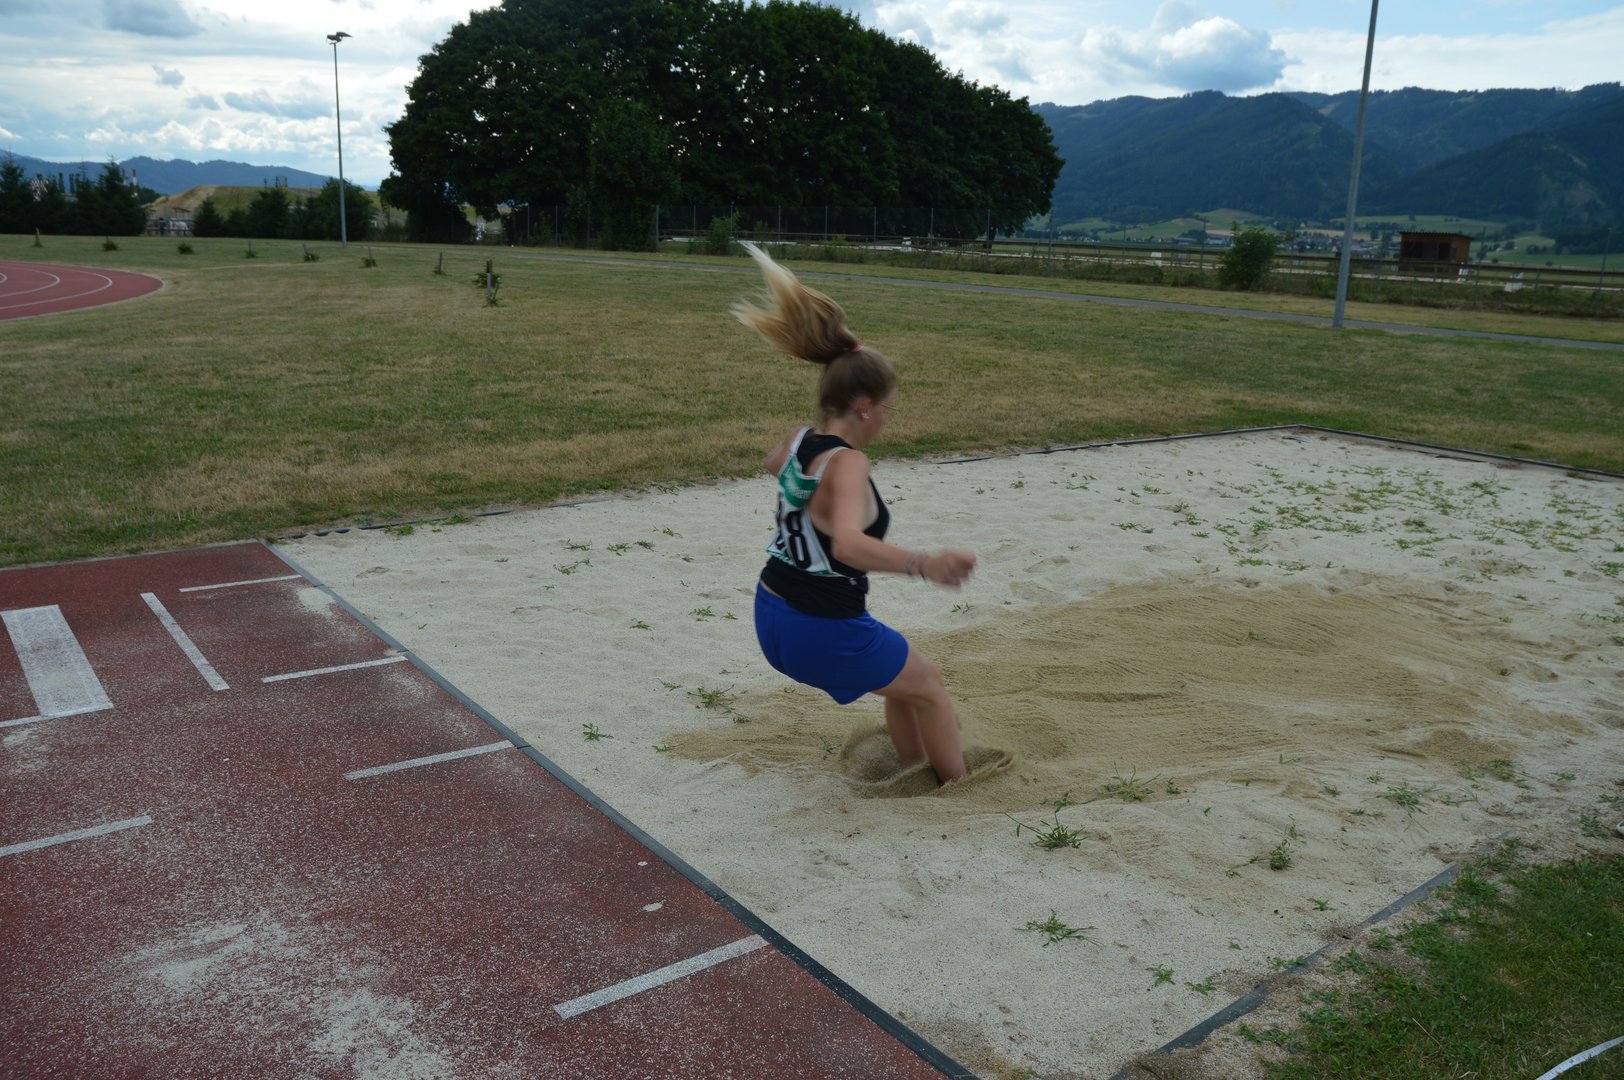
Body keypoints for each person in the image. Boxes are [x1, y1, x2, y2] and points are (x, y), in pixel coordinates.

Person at [731, 241, 977, 785]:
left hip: (771, 614)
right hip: (820, 628)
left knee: (906, 681)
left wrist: (807, 497)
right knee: (932, 688)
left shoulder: (798, 441)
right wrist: (925, 563)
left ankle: (912, 768)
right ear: (865, 407)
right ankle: (958, 787)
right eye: (887, 409)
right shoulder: (849, 462)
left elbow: (775, 466)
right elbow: (846, 544)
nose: (888, 419)